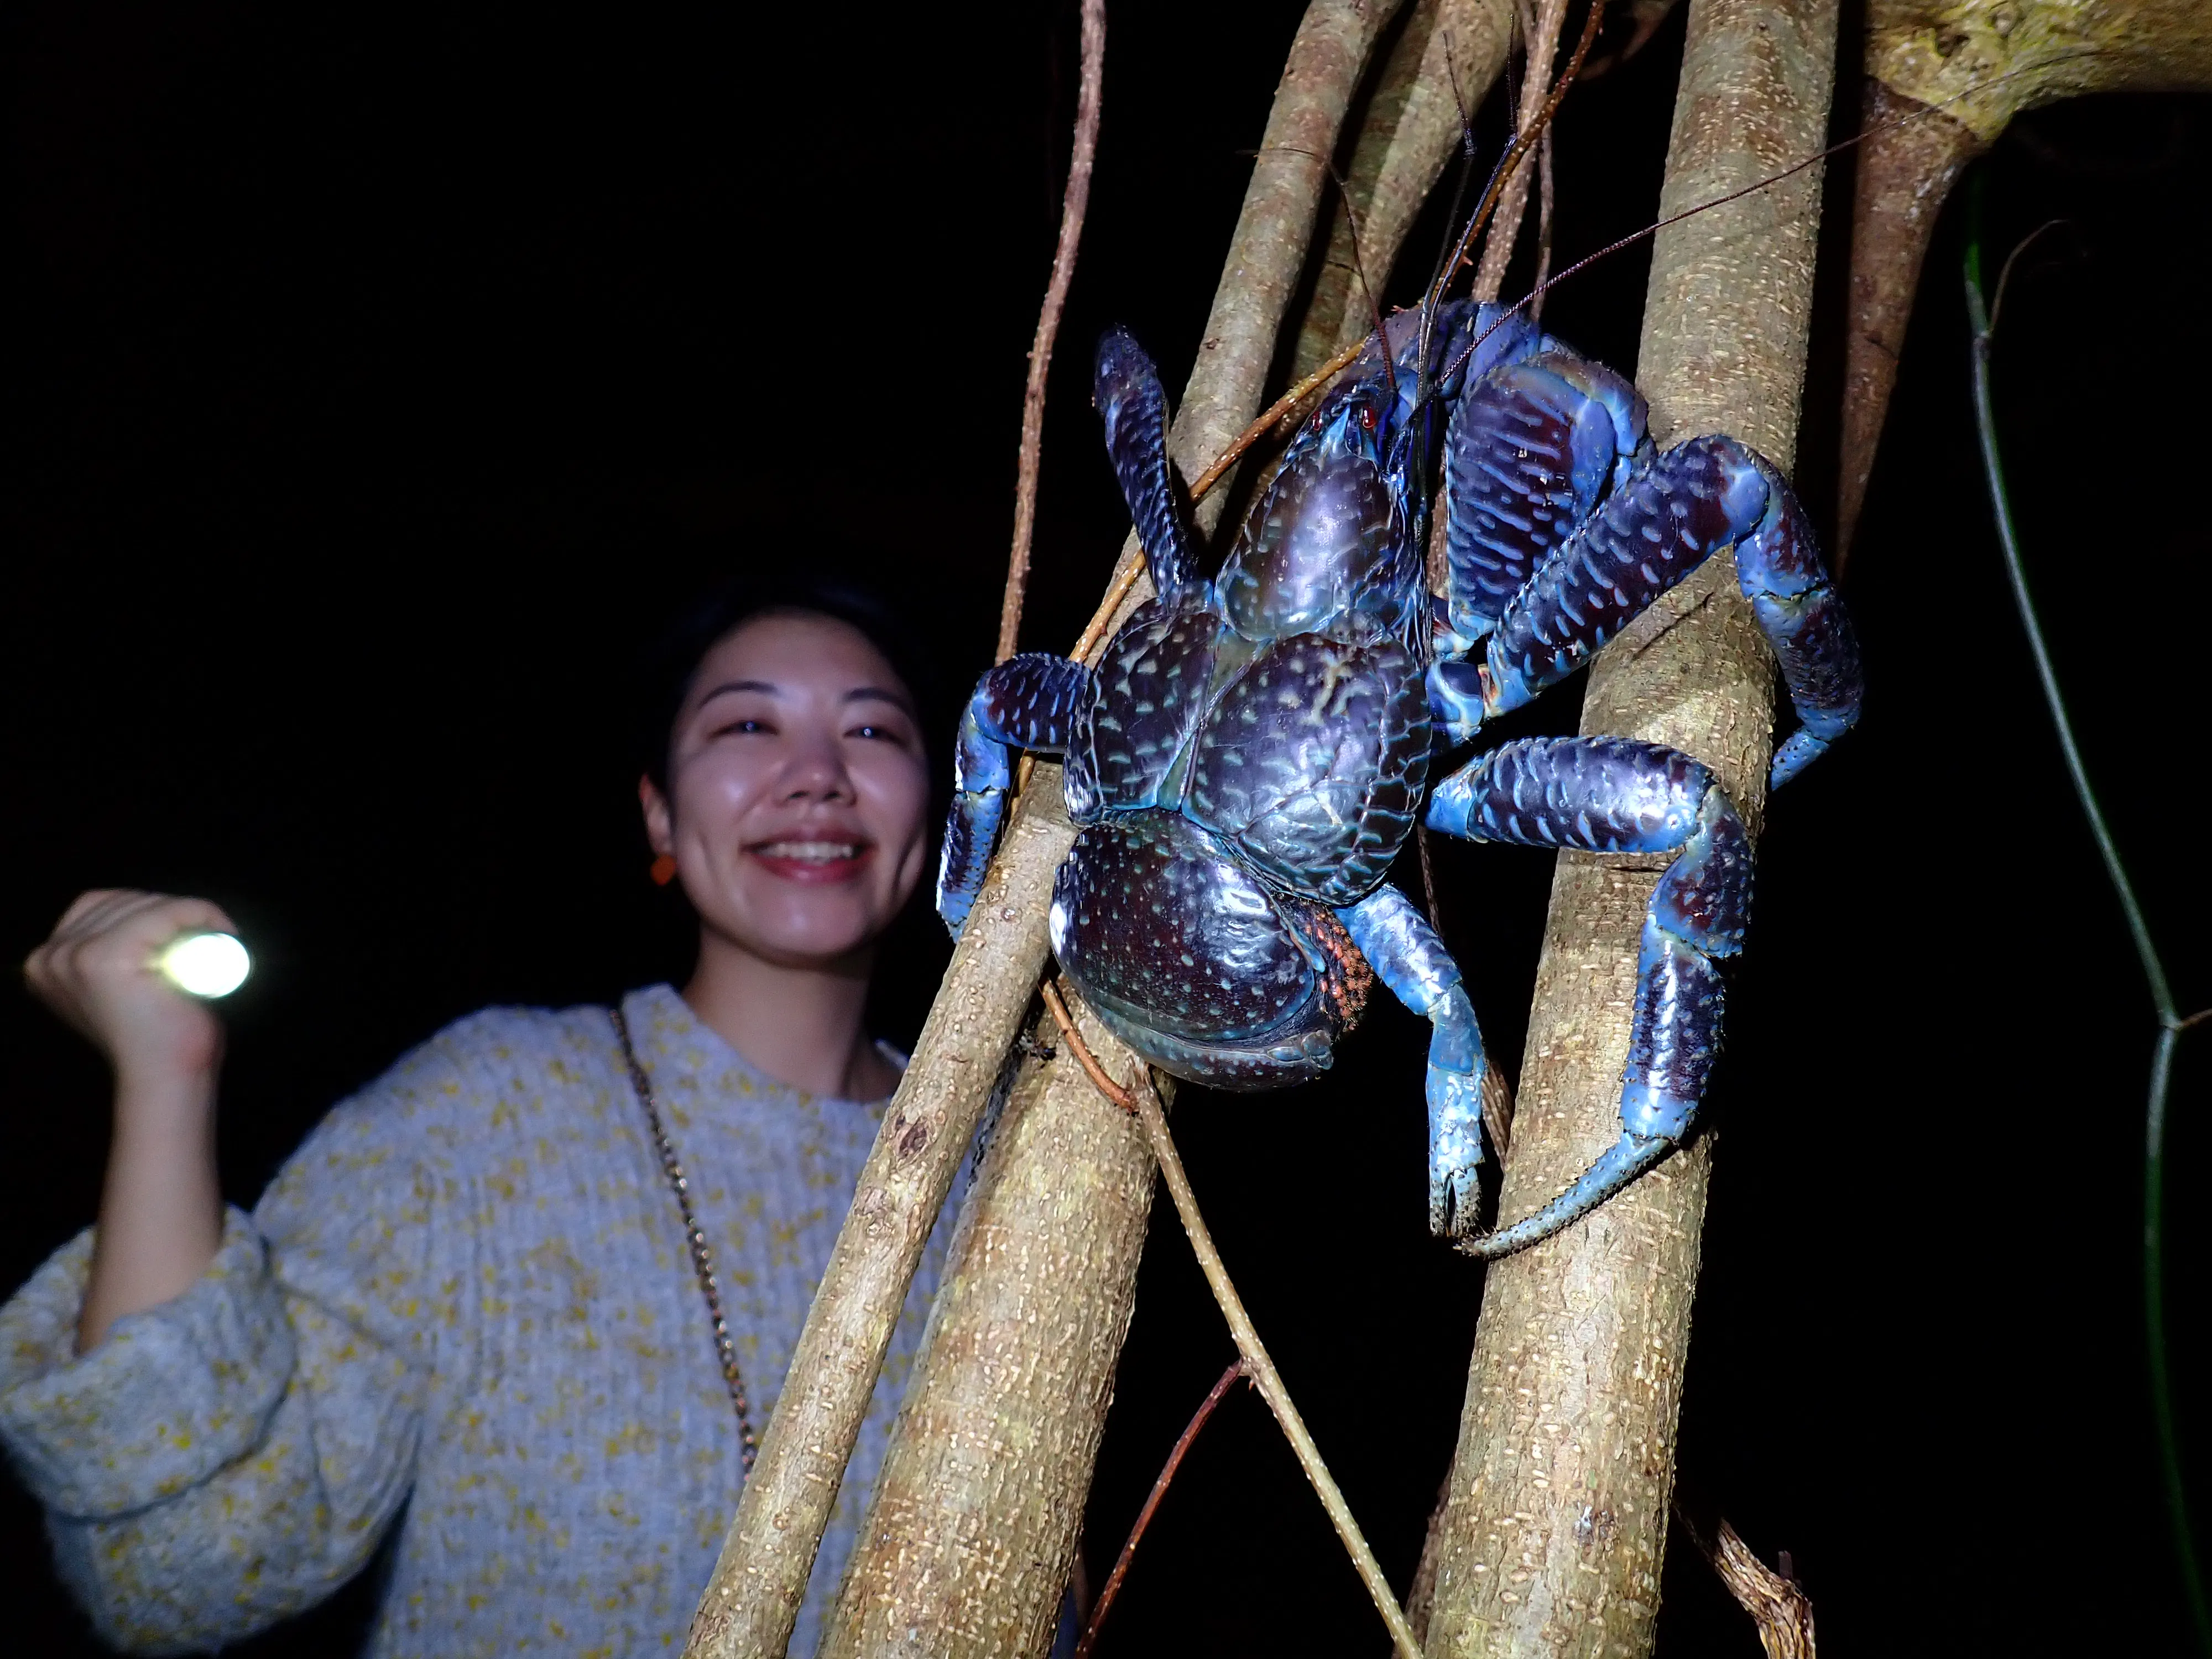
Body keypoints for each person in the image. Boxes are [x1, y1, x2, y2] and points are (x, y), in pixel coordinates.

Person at [0, 580, 956, 1657]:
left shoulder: (1018, 1162)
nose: (817, 778)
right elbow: (174, 1567)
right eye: (746, 723)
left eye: (872, 730)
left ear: (936, 808)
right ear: (657, 811)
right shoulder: (487, 1117)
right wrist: (167, 1078)